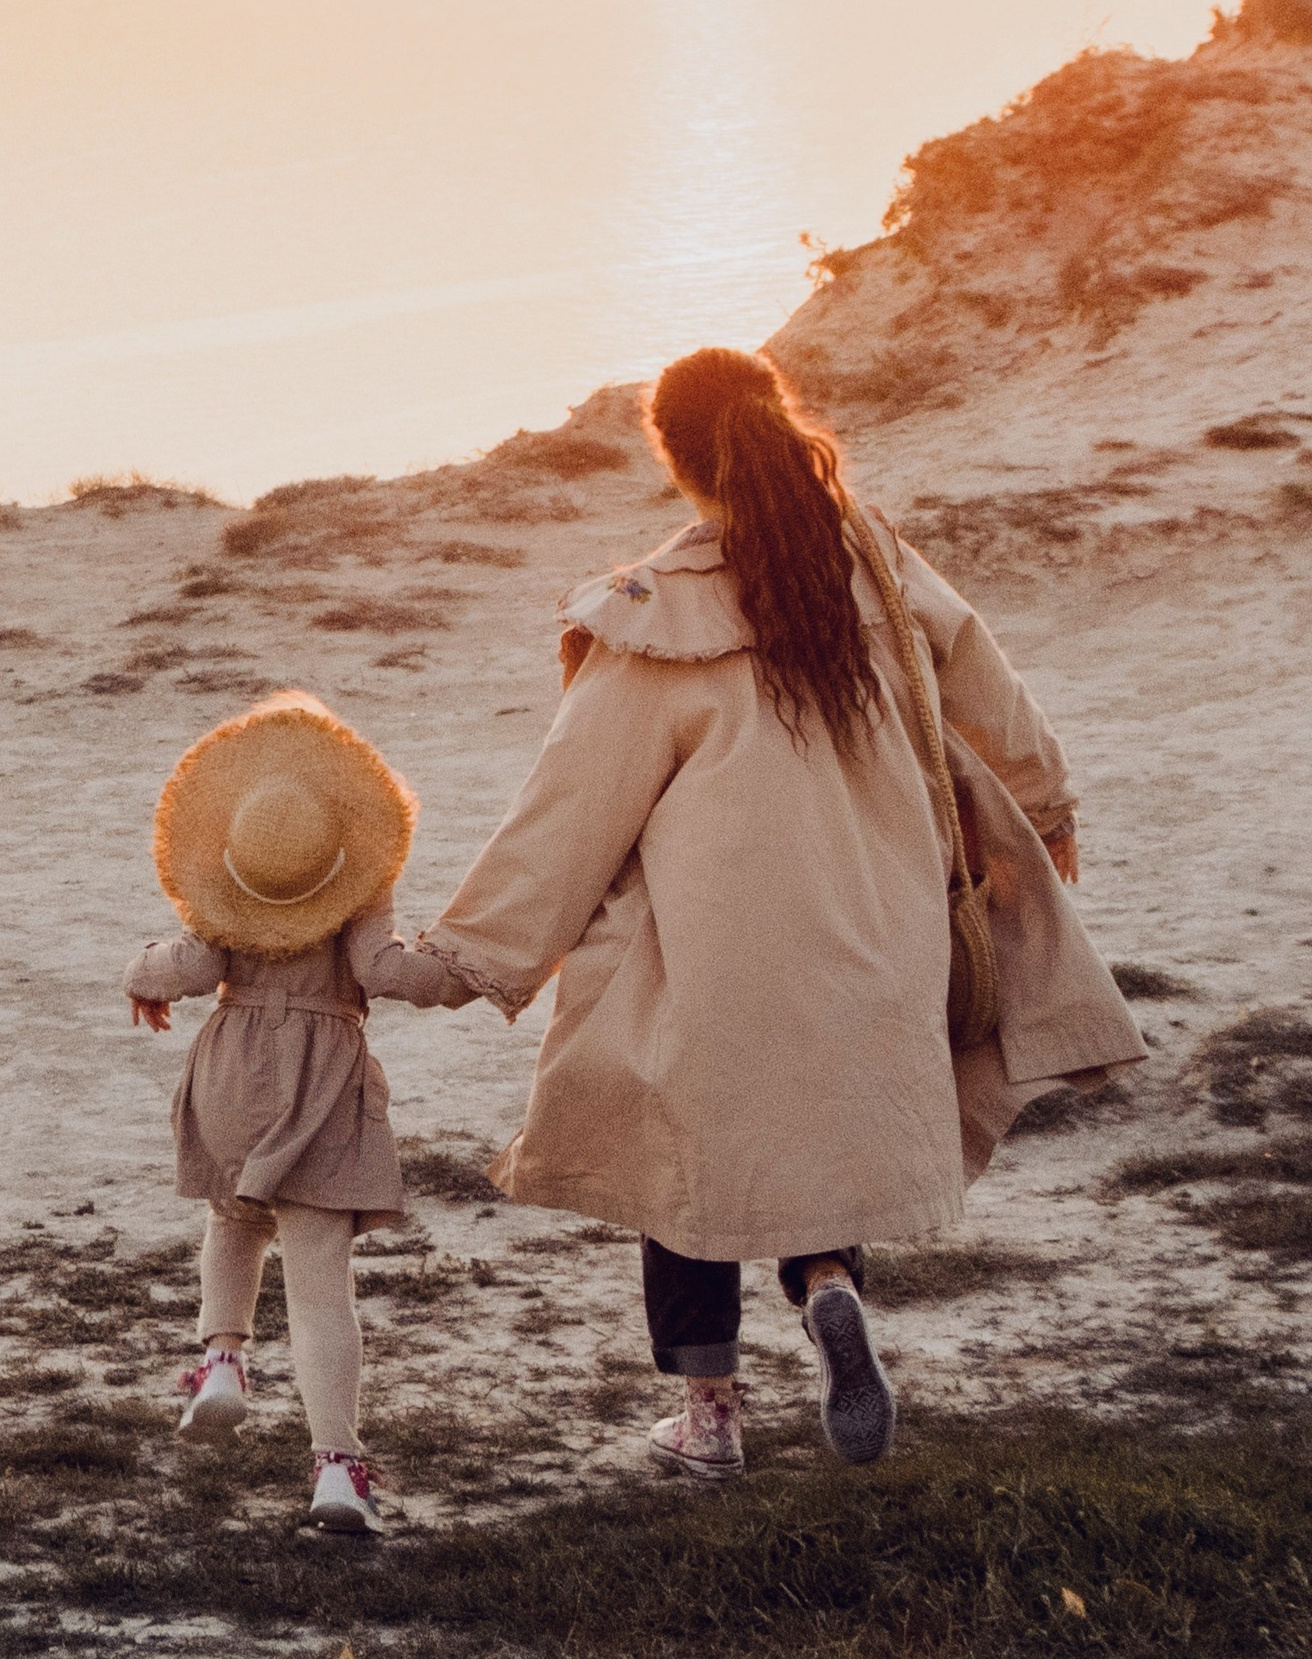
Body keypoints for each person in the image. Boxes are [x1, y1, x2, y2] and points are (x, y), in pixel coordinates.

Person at [397, 346, 1146, 1481]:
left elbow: (569, 810)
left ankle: (710, 1422)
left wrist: (470, 957)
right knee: (804, 1135)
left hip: (714, 947)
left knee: (684, 1163)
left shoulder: (655, 611)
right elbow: (980, 673)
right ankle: (827, 1287)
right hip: (871, 924)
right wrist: (1044, 804)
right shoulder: (867, 558)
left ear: (673, 456)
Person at [122, 691, 440, 1536]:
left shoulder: (231, 873)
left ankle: (221, 1359)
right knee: (318, 1282)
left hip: (231, 1070)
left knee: (232, 1220)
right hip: (321, 1079)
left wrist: (138, 970)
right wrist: (464, 972)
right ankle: (337, 1467)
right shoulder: (361, 876)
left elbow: (188, 966)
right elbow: (380, 969)